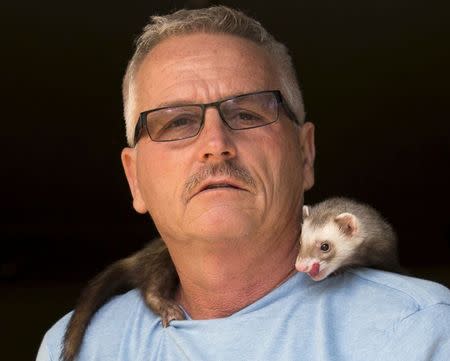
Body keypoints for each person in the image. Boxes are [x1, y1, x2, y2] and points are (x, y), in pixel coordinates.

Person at [36, 6, 450, 360]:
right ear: (134, 179)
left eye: (248, 114)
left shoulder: (418, 333)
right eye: (178, 121)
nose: (215, 145)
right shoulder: (75, 346)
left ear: (305, 154)